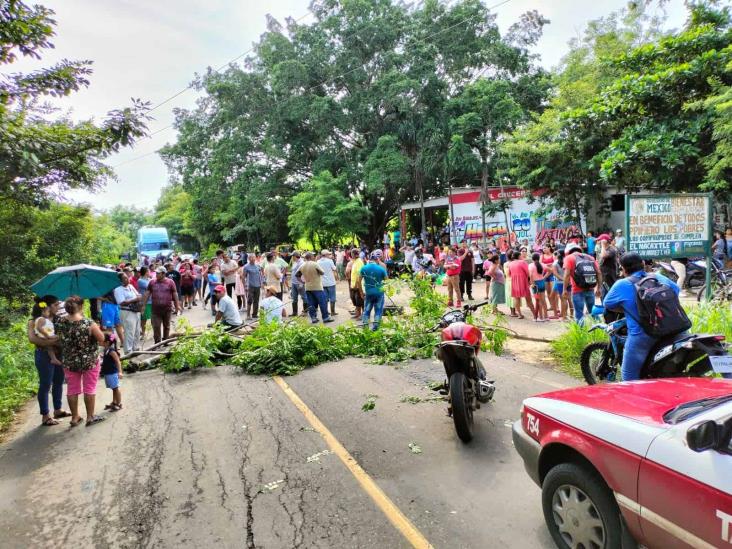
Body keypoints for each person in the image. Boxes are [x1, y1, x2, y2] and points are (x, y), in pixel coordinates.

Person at [604, 253, 680, 381]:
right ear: (643, 264)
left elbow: (608, 304)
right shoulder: (658, 277)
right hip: (674, 328)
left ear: (622, 268)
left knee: (629, 377)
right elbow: (676, 291)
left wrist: (628, 307)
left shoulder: (622, 284)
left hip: (643, 335)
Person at [55, 295, 106, 427]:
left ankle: (75, 417)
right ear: (81, 306)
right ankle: (90, 417)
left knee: (72, 389)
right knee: (89, 388)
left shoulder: (60, 322)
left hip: (70, 361)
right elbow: (101, 339)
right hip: (89, 361)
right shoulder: (88, 323)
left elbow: (59, 339)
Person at [27, 296, 72, 426]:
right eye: (56, 305)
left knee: (58, 381)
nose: (58, 307)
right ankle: (45, 415)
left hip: (59, 353)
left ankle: (57, 409)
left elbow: (65, 338)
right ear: (47, 306)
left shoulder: (60, 320)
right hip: (43, 354)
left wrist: (52, 342)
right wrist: (53, 341)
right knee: (45, 384)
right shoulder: (34, 321)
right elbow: (33, 339)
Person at [563, 243, 602, 323]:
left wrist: (564, 289)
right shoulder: (590, 257)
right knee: (593, 312)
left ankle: (581, 333)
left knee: (579, 314)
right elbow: (599, 272)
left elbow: (567, 275)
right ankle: (599, 331)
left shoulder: (569, 258)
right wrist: (599, 288)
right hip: (590, 287)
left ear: (568, 251)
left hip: (577, 290)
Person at [143, 266, 182, 343]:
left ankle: (166, 341)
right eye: (156, 273)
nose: (156, 274)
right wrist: (143, 305)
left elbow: (175, 293)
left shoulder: (170, 282)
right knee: (156, 326)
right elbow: (147, 293)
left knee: (166, 326)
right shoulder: (152, 282)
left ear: (163, 274)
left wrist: (177, 305)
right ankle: (157, 343)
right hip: (155, 309)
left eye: (158, 273)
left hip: (167, 308)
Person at [299, 252, 333, 324]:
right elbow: (322, 272)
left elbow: (297, 275)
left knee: (311, 303)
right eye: (313, 256)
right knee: (322, 302)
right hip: (317, 286)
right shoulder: (315, 264)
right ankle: (325, 317)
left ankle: (313, 318)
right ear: (311, 257)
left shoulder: (303, 265)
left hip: (308, 287)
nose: (314, 257)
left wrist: (303, 281)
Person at [360, 251, 388, 330]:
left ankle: (365, 327)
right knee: (378, 310)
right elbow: (387, 281)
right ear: (377, 260)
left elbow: (358, 281)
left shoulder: (364, 268)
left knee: (367, 310)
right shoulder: (381, 269)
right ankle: (375, 327)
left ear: (370, 259)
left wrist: (361, 292)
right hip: (379, 293)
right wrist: (384, 288)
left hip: (368, 293)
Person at [114, 272, 141, 355]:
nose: (128, 279)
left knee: (137, 331)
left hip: (136, 311)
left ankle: (135, 348)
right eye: (125, 278)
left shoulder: (131, 286)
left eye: (127, 277)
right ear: (120, 281)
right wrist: (135, 299)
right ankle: (128, 351)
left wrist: (137, 298)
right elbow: (121, 302)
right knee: (129, 331)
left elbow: (138, 295)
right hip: (127, 312)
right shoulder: (118, 289)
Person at [507, 251, 534, 320]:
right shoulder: (522, 262)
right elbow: (528, 273)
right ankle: (534, 314)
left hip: (514, 282)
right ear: (519, 256)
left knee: (516, 299)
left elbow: (509, 274)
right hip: (523, 282)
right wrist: (531, 281)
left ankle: (519, 314)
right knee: (528, 299)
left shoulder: (510, 264)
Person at [101, 333, 123, 412]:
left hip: (112, 373)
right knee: (113, 388)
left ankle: (119, 403)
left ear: (107, 342)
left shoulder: (111, 351)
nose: (100, 340)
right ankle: (114, 402)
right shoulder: (106, 350)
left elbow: (117, 361)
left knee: (116, 388)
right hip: (108, 372)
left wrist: (120, 372)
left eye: (101, 339)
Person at [318, 249, 339, 316]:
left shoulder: (318, 261)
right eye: (329, 254)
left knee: (325, 298)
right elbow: (334, 269)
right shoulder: (330, 261)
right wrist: (337, 278)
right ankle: (333, 312)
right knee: (332, 298)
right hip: (331, 282)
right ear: (326, 255)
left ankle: (326, 312)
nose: (329, 255)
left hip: (322, 283)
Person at [529, 253, 549, 321]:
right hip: (542, 282)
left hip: (535, 284)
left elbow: (530, 276)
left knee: (538, 301)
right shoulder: (542, 264)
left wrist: (532, 284)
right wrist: (544, 277)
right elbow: (550, 270)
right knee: (543, 300)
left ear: (532, 259)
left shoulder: (531, 265)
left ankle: (541, 317)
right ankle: (546, 316)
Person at [243, 254, 262, 319]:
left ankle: (255, 314)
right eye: (251, 258)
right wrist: (244, 286)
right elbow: (243, 276)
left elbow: (260, 275)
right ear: (248, 259)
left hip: (258, 285)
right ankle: (248, 315)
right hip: (250, 286)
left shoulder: (258, 266)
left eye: (254, 257)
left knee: (256, 300)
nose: (253, 259)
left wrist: (261, 283)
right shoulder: (246, 266)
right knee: (249, 300)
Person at [137, 266, 152, 342]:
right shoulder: (140, 280)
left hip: (152, 301)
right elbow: (150, 287)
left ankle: (154, 332)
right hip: (145, 302)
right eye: (148, 271)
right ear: (146, 272)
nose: (149, 272)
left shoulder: (149, 279)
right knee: (144, 319)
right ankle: (143, 333)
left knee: (153, 317)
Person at [349, 249, 365, 319]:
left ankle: (364, 315)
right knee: (355, 300)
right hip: (353, 285)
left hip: (358, 285)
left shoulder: (359, 262)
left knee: (360, 300)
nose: (351, 255)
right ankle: (358, 314)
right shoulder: (355, 261)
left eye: (352, 254)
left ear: (355, 254)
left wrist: (356, 285)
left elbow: (359, 274)